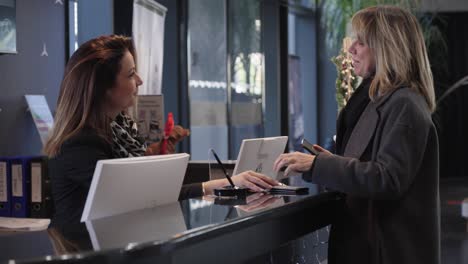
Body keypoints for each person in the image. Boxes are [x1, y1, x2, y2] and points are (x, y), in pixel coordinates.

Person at [44, 35, 278, 227]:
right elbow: (142, 198)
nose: (140, 80)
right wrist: (217, 184)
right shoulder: (81, 143)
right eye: (130, 74)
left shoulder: (121, 130)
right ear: (102, 88)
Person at [274, 6, 439, 264]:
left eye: (361, 42)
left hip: (385, 250)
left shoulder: (405, 104)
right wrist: (331, 161)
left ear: (387, 47)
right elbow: (372, 165)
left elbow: (388, 178)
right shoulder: (378, 100)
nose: (351, 49)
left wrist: (320, 165)